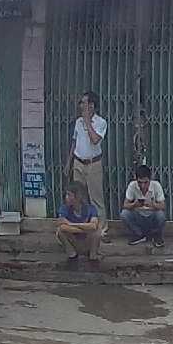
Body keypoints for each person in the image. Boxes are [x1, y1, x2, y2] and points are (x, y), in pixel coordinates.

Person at [68, 90, 109, 241]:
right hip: (78, 162)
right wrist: (69, 162)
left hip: (93, 164)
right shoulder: (78, 122)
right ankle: (82, 227)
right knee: (79, 196)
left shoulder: (101, 122)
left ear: (91, 105)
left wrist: (87, 122)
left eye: (83, 103)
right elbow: (74, 142)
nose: (81, 105)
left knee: (96, 198)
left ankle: (101, 229)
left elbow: (95, 140)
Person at [56, 181, 102, 262]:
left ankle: (93, 256)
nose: (66, 197)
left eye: (69, 195)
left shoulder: (90, 208)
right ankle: (72, 255)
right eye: (66, 194)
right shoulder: (64, 208)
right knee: (60, 232)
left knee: (97, 231)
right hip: (74, 240)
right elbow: (62, 227)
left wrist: (70, 224)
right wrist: (85, 229)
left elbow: (93, 226)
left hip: (87, 241)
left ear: (78, 196)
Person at [122, 165, 167, 247]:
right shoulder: (132, 185)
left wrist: (153, 204)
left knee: (161, 215)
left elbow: (163, 206)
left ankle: (156, 236)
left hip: (152, 216)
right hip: (138, 215)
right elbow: (125, 205)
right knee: (125, 214)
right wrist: (134, 204)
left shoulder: (156, 185)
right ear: (136, 179)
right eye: (140, 182)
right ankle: (138, 234)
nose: (142, 186)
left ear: (150, 179)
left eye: (145, 182)